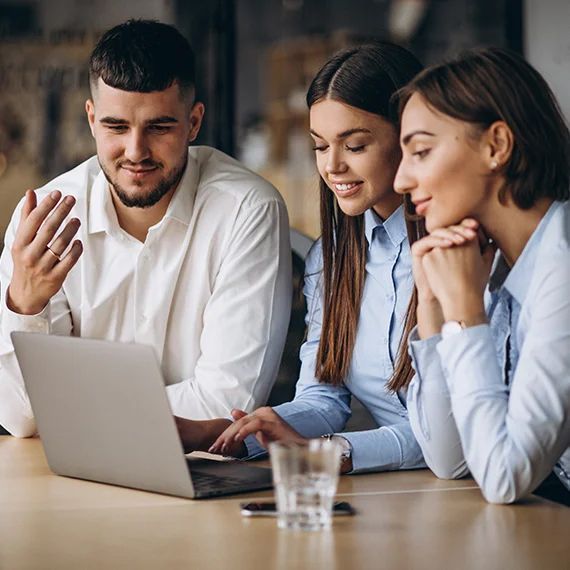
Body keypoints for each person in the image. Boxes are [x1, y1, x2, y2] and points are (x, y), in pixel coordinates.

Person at [0, 20, 292, 437]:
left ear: (193, 123)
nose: (135, 152)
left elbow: (227, 405)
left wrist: (69, 411)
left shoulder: (247, 209)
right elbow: (21, 419)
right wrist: (25, 306)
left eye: (159, 127)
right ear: (91, 119)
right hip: (71, 477)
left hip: (201, 477)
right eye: (116, 127)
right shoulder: (44, 219)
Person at [176, 42, 427, 475]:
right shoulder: (331, 261)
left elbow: (451, 437)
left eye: (355, 145)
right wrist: (225, 436)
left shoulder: (461, 253)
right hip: (414, 493)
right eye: (320, 146)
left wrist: (333, 452)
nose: (332, 166)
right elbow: (322, 399)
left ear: (410, 138)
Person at [394, 47, 570, 504]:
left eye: (421, 152)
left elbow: (504, 475)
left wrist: (467, 315)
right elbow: (450, 459)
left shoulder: (563, 265)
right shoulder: (492, 264)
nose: (400, 181)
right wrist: (434, 307)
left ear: (497, 145)